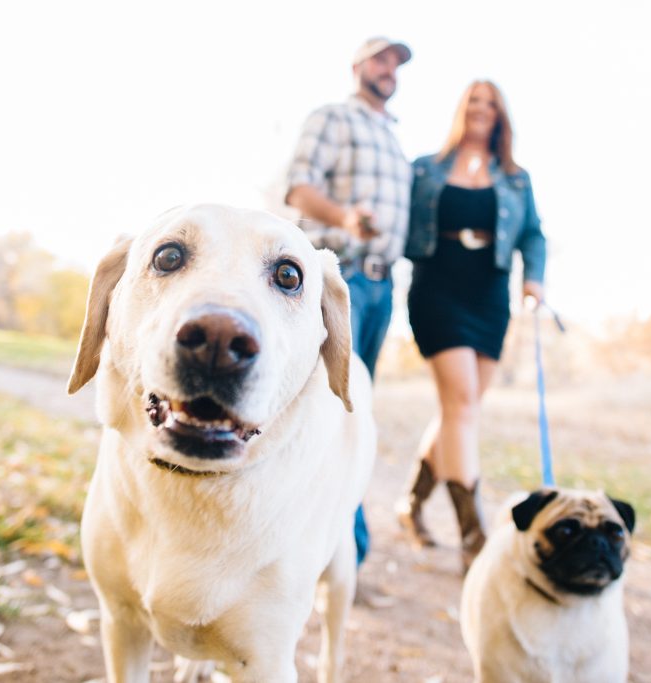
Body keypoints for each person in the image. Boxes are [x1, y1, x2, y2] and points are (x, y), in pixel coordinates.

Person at [396, 80, 547, 574]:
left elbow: (533, 234)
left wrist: (535, 280)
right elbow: (399, 219)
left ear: (501, 116)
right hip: (438, 284)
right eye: (474, 103)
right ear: (463, 111)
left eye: (491, 104)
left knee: (460, 409)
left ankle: (412, 504)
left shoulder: (516, 178)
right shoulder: (425, 168)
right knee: (461, 405)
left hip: (490, 292)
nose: (482, 111)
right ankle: (473, 537)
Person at [285, 37, 413, 579]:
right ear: (357, 65)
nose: (389, 69)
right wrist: (345, 219)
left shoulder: (394, 137)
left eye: (396, 62)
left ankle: (339, 544)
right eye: (380, 59)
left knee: (356, 408)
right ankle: (342, 549)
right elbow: (298, 189)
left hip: (384, 288)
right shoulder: (333, 117)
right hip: (341, 276)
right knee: (333, 408)